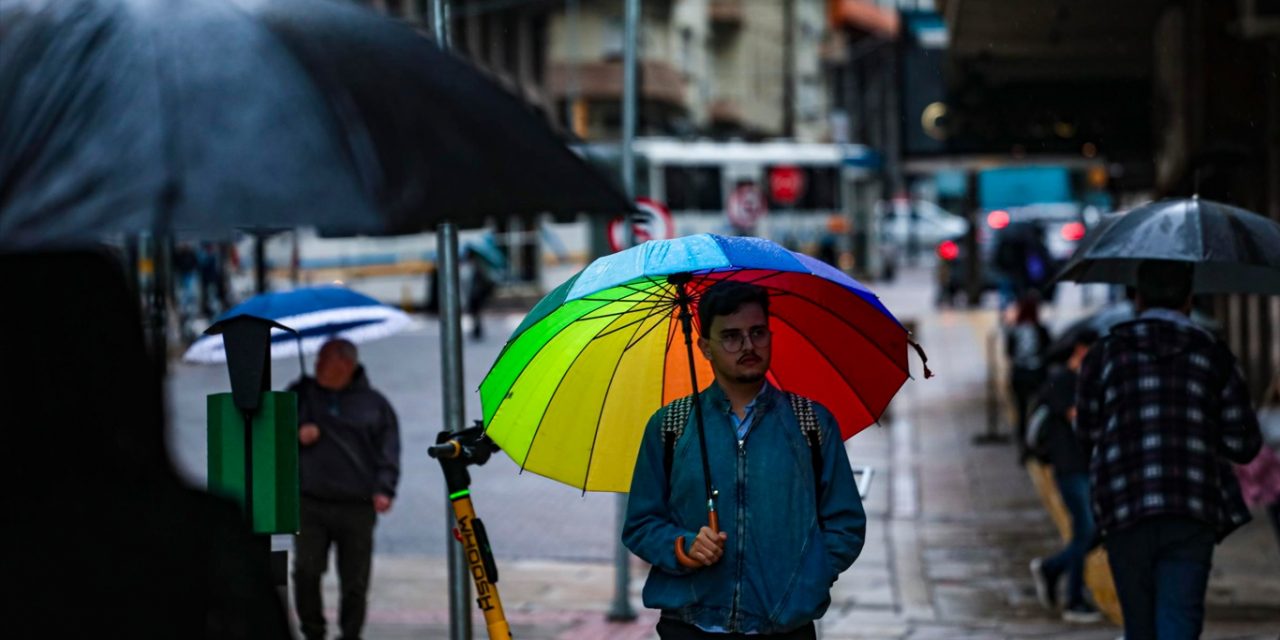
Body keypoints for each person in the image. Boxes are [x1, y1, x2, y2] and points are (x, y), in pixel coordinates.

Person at [623, 281, 867, 639]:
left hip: (785, 629)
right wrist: (683, 546)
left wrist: (809, 574)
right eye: (731, 337)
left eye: (757, 332)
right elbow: (641, 523)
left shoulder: (811, 423)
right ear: (705, 348)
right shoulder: (671, 425)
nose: (748, 346)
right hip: (689, 626)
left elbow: (846, 523)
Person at [1076, 260, 1262, 640]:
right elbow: (1244, 444)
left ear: (1138, 299)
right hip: (1191, 507)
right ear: (1189, 299)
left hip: (1124, 505)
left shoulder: (1104, 354)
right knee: (1179, 620)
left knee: (1138, 626)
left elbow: (1087, 431)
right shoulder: (1214, 355)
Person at [289, 339, 401, 640]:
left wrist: (385, 488)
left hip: (357, 505)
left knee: (355, 580)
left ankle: (350, 634)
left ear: (346, 364)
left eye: (324, 360)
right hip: (310, 502)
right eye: (317, 360)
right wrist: (296, 433)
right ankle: (313, 631)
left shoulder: (375, 404)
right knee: (306, 571)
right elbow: (272, 433)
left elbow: (389, 451)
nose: (317, 365)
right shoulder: (301, 395)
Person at [1028, 329, 1103, 623]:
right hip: (1070, 467)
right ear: (1082, 349)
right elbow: (1079, 418)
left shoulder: (1090, 381)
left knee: (1093, 531)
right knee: (1086, 530)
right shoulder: (1062, 381)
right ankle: (1073, 598)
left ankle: (1053, 569)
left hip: (1088, 466)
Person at [1005, 293, 1050, 459]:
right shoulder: (1041, 329)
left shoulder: (1014, 330)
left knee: (1021, 411)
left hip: (1019, 375)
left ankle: (1023, 446)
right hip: (1037, 375)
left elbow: (1009, 353)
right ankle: (1036, 443)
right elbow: (1048, 351)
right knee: (1038, 410)